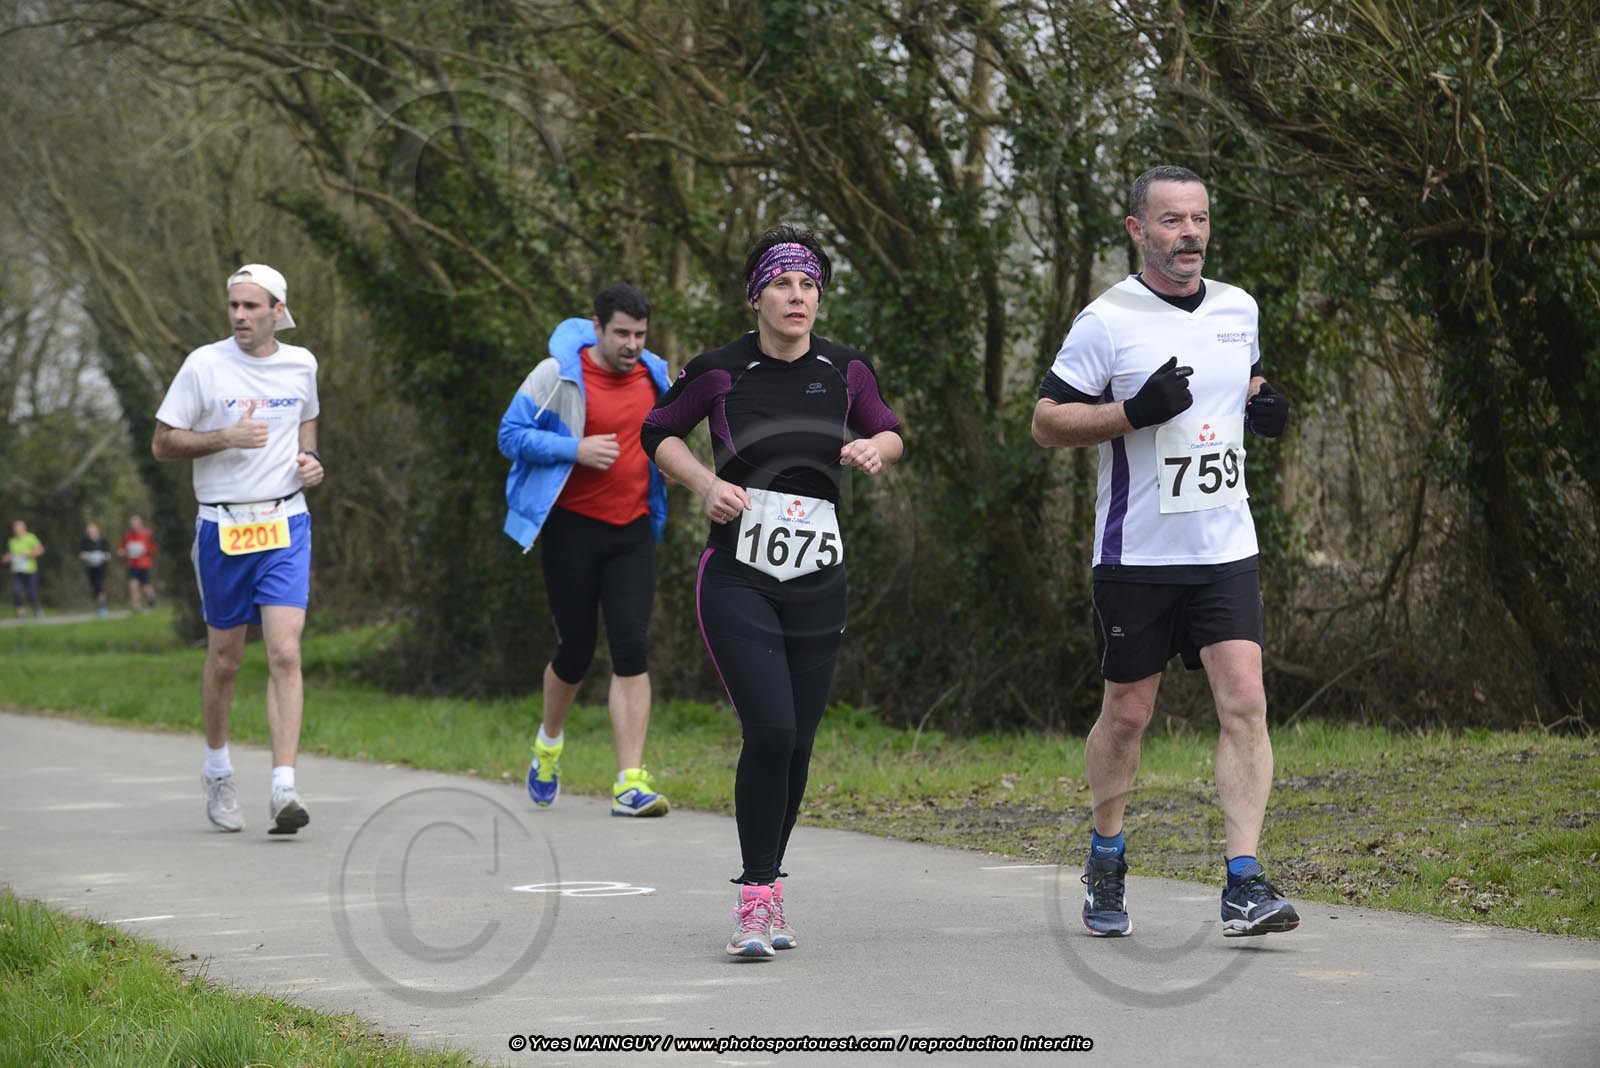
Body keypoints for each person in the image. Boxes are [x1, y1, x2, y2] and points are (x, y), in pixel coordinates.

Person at [1032, 165, 1297, 939]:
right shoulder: (1106, 320)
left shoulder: (1239, 307)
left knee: (1245, 701)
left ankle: (1244, 882)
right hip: (1137, 554)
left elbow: (1245, 383)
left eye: (1200, 219)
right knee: (1127, 715)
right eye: (1173, 220)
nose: (1190, 234)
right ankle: (1106, 854)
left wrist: (1266, 406)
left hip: (1225, 545)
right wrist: (1132, 412)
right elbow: (1047, 421)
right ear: (1137, 229)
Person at [641, 225, 904, 959]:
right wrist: (706, 484)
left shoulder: (845, 368)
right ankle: (755, 899)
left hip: (819, 577)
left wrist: (874, 449)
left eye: (809, 285)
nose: (797, 296)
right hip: (737, 574)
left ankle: (770, 886)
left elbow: (890, 431)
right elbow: (658, 433)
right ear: (756, 296)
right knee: (771, 731)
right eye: (783, 284)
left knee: (800, 743)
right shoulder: (718, 370)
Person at [151, 263, 324, 836]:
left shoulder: (302, 364)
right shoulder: (204, 364)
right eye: (234, 306)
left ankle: (284, 787)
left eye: (252, 306)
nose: (240, 316)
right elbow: (162, 443)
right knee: (225, 658)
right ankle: (218, 769)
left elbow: (307, 419)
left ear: (278, 311)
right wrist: (225, 437)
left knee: (285, 653)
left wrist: (309, 459)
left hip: (285, 522)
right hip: (223, 527)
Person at [498, 284, 675, 818]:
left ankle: (629, 783)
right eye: (621, 333)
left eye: (640, 334)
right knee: (575, 652)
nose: (631, 345)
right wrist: (572, 448)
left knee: (632, 648)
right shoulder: (556, 374)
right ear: (597, 327)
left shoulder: (656, 376)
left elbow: (669, 438)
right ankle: (549, 744)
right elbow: (510, 435)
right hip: (571, 530)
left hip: (633, 531)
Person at [5, 520, 45, 618]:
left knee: (31, 593)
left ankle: (37, 610)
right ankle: (22, 614)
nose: (16, 531)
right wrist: (8, 557)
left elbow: (40, 550)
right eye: (15, 529)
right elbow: (12, 554)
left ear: (24, 528)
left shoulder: (30, 537)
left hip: (30, 570)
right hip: (16, 571)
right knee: (16, 592)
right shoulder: (12, 541)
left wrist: (28, 554)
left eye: (18, 529)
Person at [118, 515, 158, 610]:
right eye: (132, 524)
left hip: (144, 564)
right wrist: (122, 551)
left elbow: (154, 547)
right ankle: (136, 606)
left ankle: (151, 597)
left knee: (145, 587)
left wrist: (146, 550)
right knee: (133, 585)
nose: (134, 526)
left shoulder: (147, 534)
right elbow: (123, 547)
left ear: (140, 523)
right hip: (132, 565)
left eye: (136, 524)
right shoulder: (127, 535)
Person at [78, 522, 112, 618]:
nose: (91, 533)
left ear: (97, 531)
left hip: (101, 567)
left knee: (99, 586)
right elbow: (81, 554)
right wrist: (88, 556)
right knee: (95, 588)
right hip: (91, 568)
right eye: (89, 531)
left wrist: (101, 556)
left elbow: (108, 554)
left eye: (92, 531)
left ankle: (103, 607)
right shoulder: (85, 542)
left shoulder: (103, 541)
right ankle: (100, 607)